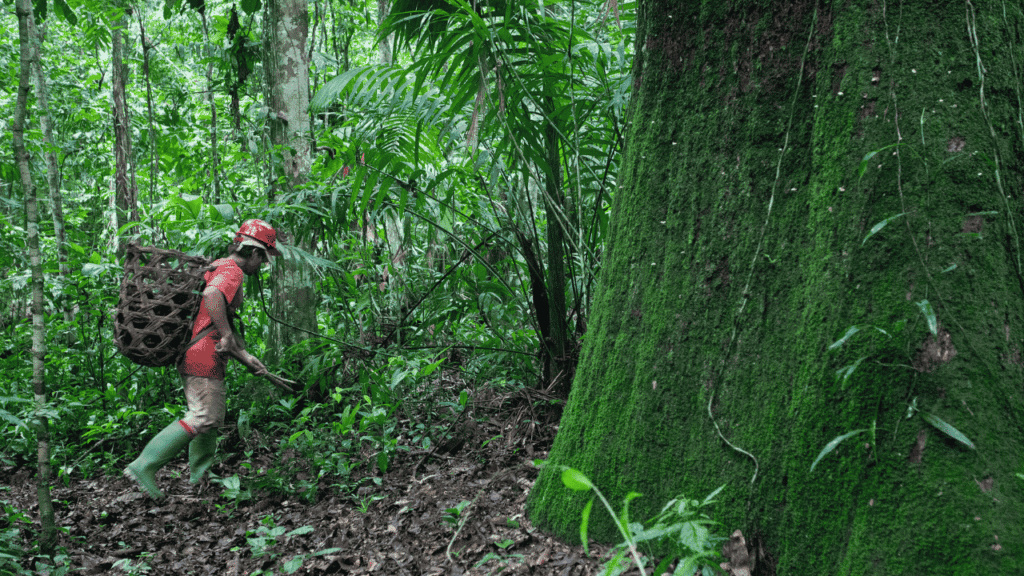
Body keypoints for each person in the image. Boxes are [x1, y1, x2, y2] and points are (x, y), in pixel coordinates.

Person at [125, 219, 282, 500]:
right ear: (255, 252)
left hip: (202, 352)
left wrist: (246, 356)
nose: (264, 265)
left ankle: (201, 476)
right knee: (203, 416)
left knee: (212, 418)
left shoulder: (221, 265)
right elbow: (212, 297)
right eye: (265, 258)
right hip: (203, 354)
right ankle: (143, 465)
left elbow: (218, 320)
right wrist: (226, 336)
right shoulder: (232, 270)